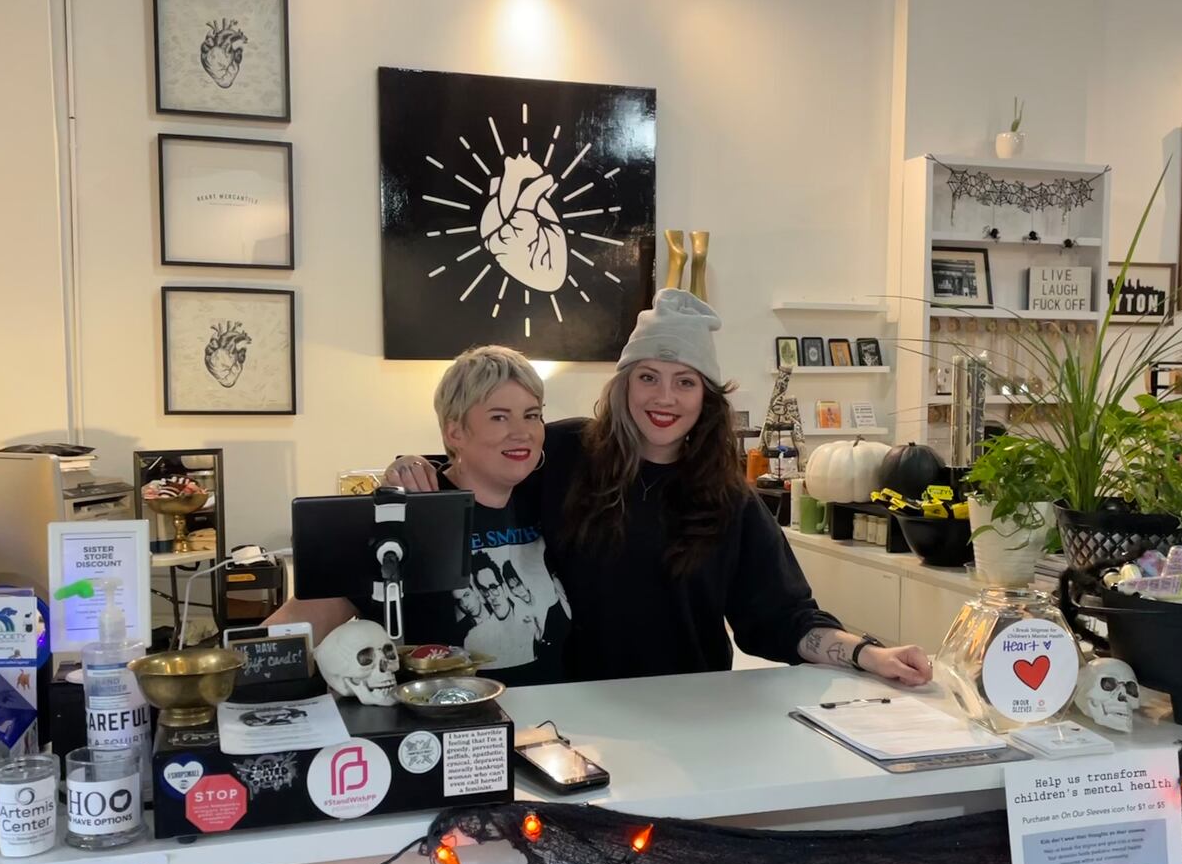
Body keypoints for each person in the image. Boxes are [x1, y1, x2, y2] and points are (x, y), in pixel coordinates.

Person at [390, 290, 932, 686]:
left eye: (685, 382)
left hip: (687, 711)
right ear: (625, 385)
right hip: (574, 712)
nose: (664, 398)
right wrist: (411, 467)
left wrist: (866, 653)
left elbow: (782, 618)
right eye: (648, 376)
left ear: (706, 398)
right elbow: (488, 461)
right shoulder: (567, 453)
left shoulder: (728, 499)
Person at [270, 345, 569, 687]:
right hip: (443, 729)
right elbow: (297, 626)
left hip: (550, 725)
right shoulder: (410, 513)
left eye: (532, 415)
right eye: (499, 416)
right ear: (454, 432)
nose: (523, 432)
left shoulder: (546, 498)